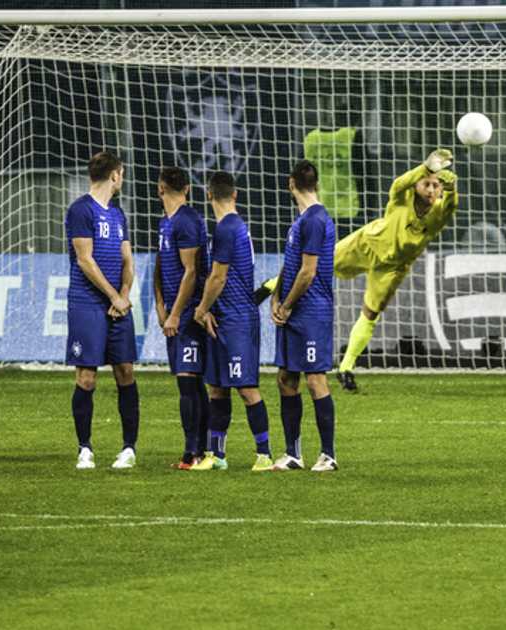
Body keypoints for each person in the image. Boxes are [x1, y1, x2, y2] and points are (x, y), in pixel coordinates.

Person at [335, 149, 458, 391]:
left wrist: (453, 189)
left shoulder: (438, 215)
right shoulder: (401, 198)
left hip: (392, 269)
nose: (432, 190)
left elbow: (451, 206)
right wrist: (426, 167)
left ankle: (345, 368)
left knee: (370, 314)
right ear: (417, 186)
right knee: (318, 267)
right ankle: (271, 286)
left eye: (436, 186)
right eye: (427, 184)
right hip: (367, 244)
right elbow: (399, 182)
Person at [191, 172, 274, 472]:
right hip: (224, 317)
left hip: (237, 319)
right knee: (217, 388)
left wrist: (201, 309)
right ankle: (217, 455)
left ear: (208, 195)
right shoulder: (234, 226)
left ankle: (264, 455)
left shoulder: (227, 228)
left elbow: (218, 276)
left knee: (246, 388)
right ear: (235, 194)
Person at [65, 150, 139, 470]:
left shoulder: (118, 214)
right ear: (114, 175)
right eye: (121, 173)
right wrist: (113, 296)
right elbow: (85, 260)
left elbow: (127, 259)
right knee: (87, 377)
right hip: (87, 305)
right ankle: (85, 448)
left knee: (126, 373)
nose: (121, 178)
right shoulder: (80, 210)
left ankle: (129, 448)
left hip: (116, 307)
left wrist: (123, 295)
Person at [269, 160, 338, 472]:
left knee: (314, 379)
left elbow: (308, 272)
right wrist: (275, 295)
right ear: (317, 185)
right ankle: (293, 453)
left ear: (290, 184)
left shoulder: (314, 220)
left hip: (311, 311)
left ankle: (328, 454)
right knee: (286, 378)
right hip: (295, 310)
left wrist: (287, 305)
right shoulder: (301, 221)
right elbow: (292, 264)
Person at [152, 166, 211, 469]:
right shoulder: (166, 222)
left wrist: (175, 313)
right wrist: (160, 304)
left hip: (189, 316)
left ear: (160, 188)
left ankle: (195, 452)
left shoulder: (187, 221)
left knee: (190, 382)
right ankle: (198, 449)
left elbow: (191, 272)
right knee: (189, 382)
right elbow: (161, 265)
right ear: (187, 188)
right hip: (175, 314)